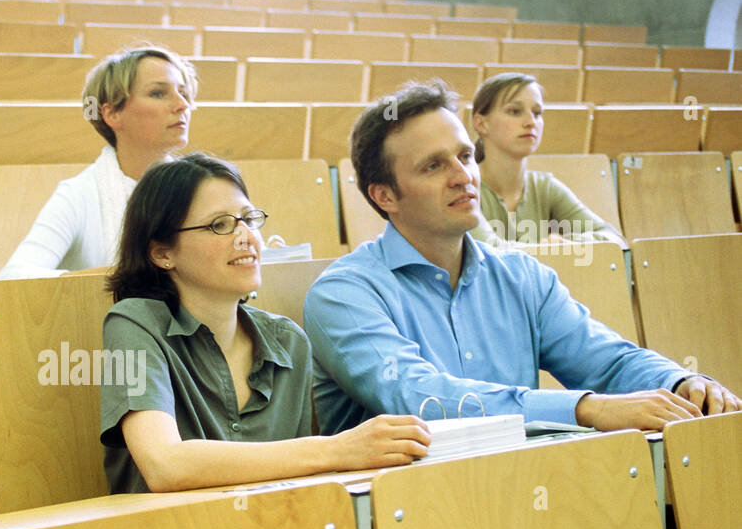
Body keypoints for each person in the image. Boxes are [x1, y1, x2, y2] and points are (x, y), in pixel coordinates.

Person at [304, 80, 740, 437]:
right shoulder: (343, 294)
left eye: (465, 156)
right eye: (433, 167)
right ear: (384, 196)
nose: (464, 177)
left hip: (524, 494)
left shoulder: (524, 277)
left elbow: (608, 361)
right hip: (410, 513)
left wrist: (680, 382)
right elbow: (422, 399)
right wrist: (587, 409)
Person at [100, 153, 429, 494]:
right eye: (220, 225)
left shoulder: (288, 341)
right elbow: (165, 466)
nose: (246, 237)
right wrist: (336, 450)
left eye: (248, 219)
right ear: (162, 253)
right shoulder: (132, 324)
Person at [0, 44, 197, 280]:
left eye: (183, 92)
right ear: (112, 114)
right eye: (158, 93)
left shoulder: (203, 187)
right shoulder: (78, 194)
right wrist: (118, 280)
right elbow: (12, 277)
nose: (182, 104)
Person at [468, 72, 624, 247]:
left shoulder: (545, 187)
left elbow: (614, 239)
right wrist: (547, 250)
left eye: (537, 113)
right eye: (515, 111)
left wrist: (567, 243)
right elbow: (491, 251)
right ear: (481, 124)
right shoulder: (465, 189)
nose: (531, 122)